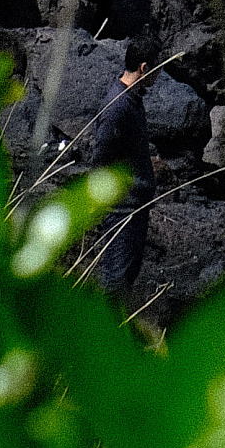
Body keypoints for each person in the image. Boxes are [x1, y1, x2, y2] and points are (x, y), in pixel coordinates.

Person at [80, 53, 158, 301]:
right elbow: (101, 156)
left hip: (133, 206)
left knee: (123, 280)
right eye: (158, 70)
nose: (158, 78)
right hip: (121, 209)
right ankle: (101, 337)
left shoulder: (132, 100)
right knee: (115, 282)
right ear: (143, 67)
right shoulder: (118, 106)